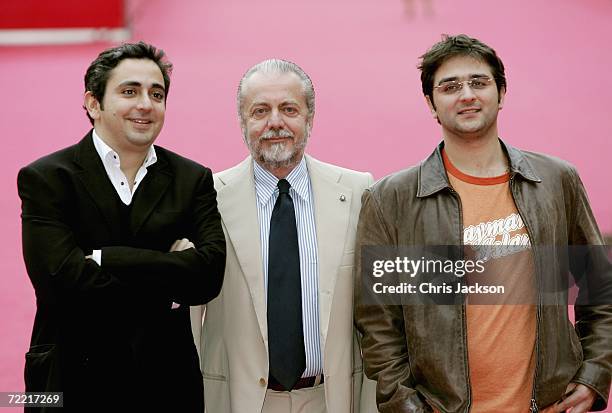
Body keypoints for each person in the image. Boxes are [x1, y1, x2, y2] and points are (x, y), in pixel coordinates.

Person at [354, 34, 612, 413]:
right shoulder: (390, 199)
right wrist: (406, 405)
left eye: (479, 82)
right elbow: (378, 323)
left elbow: (600, 289)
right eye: (450, 86)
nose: (467, 95)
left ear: (501, 92)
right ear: (431, 104)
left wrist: (594, 374)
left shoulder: (557, 181)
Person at [17, 41, 226, 412]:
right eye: (129, 91)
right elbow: (59, 284)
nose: (145, 104)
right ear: (93, 103)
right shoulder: (47, 179)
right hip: (66, 383)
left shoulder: (192, 179)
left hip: (167, 385)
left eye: (156, 93)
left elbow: (208, 276)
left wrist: (104, 258)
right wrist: (168, 275)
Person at [191, 59, 378, 412]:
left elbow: (378, 316)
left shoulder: (358, 191)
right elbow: (189, 314)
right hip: (239, 401)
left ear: (309, 118)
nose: (274, 122)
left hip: (332, 399)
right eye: (260, 111)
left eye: (288, 109)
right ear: (242, 122)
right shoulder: (207, 197)